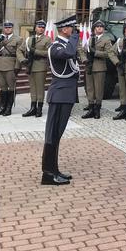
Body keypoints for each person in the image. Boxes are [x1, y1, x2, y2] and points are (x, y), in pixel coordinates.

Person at [42, 15, 82, 185]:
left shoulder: (64, 45)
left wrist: (73, 38)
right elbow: (70, 53)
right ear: (65, 29)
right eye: (71, 28)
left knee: (57, 135)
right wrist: (75, 37)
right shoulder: (56, 47)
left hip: (65, 95)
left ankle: (54, 170)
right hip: (59, 95)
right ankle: (48, 174)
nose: (74, 31)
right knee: (52, 135)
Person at [17, 20, 51, 118]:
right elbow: (19, 50)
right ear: (35, 28)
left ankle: (39, 108)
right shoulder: (29, 39)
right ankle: (33, 108)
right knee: (32, 87)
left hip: (41, 65)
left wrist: (35, 51)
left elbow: (48, 53)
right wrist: (23, 60)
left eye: (43, 27)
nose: (41, 28)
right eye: (39, 27)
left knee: (40, 88)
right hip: (30, 65)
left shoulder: (47, 39)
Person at [82, 21, 111, 120]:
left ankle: (97, 108)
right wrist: (84, 59)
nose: (99, 28)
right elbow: (82, 49)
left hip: (99, 67)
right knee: (90, 88)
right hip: (89, 66)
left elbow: (108, 53)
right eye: (97, 27)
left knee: (98, 89)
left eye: (101, 27)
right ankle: (90, 108)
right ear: (94, 29)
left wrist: (96, 53)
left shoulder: (106, 39)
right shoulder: (89, 38)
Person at [0, 21, 23, 117]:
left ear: (12, 28)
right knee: (3, 87)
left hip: (10, 65)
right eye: (6, 27)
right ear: (4, 28)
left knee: (11, 87)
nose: (7, 29)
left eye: (9, 27)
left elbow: (19, 54)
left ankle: (8, 108)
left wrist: (17, 67)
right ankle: (2, 107)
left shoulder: (18, 39)